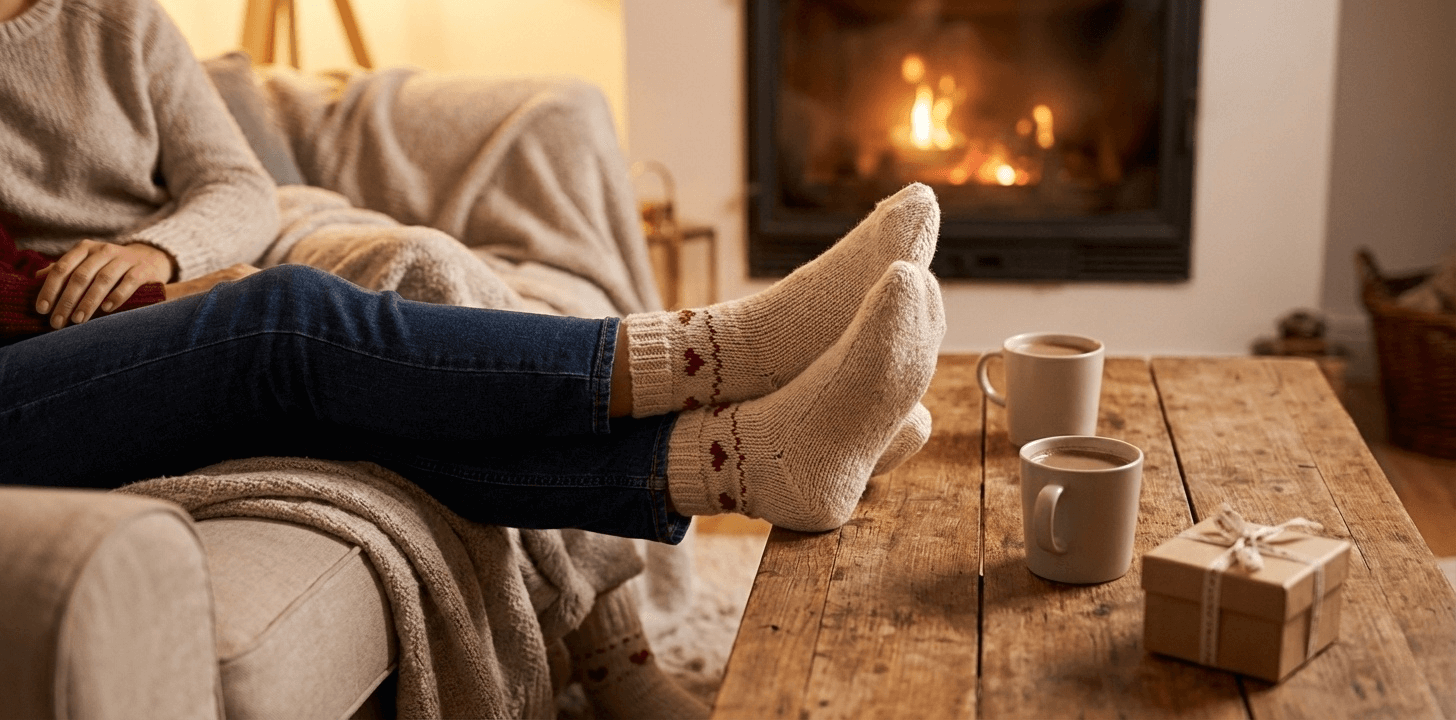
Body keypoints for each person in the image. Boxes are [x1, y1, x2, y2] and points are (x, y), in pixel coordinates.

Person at [0, 0, 944, 714]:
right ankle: (734, 356)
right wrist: (152, 303)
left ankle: (745, 458)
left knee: (395, 316)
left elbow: (237, 181)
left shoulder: (110, 14)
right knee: (282, 321)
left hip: (130, 318)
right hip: (51, 354)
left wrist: (165, 257)